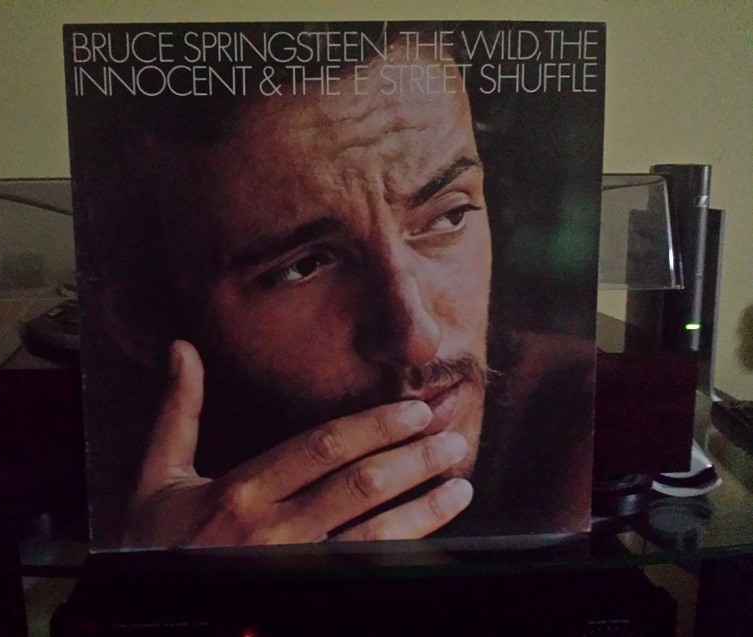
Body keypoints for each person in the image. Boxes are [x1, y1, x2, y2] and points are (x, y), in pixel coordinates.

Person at [73, 24, 598, 550]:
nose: (418, 337)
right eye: (302, 267)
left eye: (449, 216)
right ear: (139, 315)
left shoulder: (589, 425)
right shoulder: (77, 464)